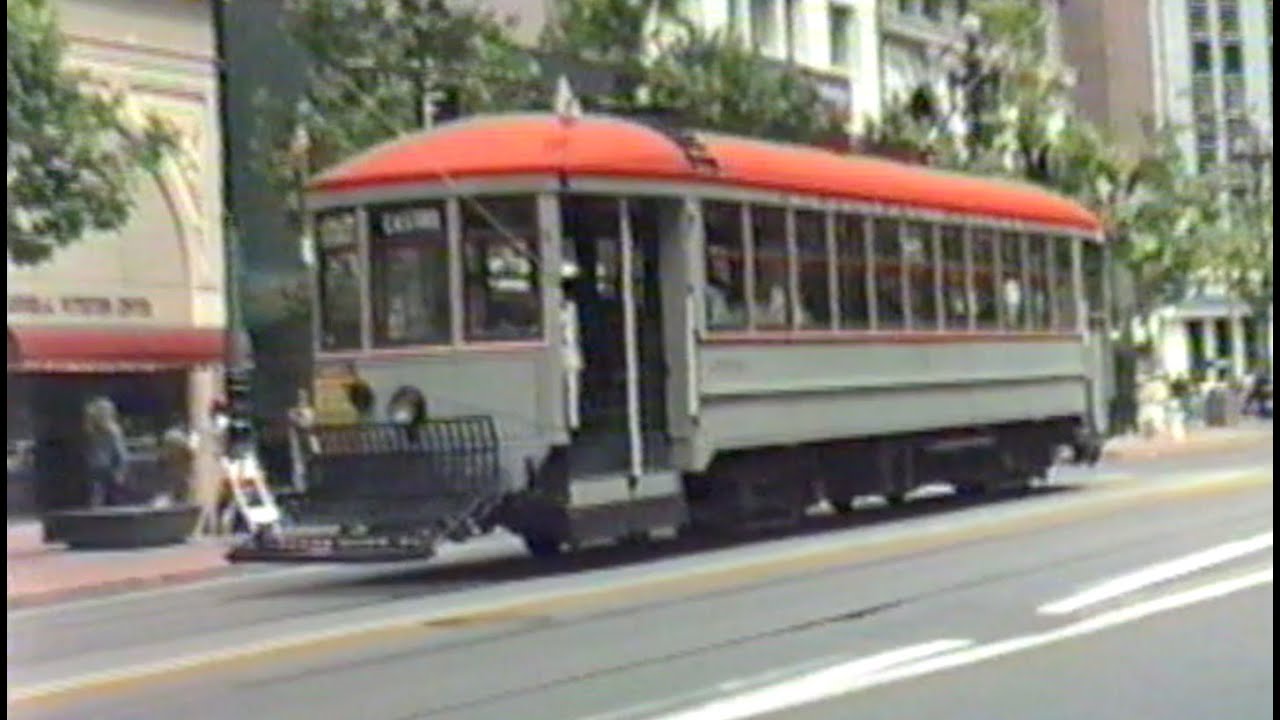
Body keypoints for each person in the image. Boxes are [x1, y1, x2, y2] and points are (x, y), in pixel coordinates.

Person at [83, 397, 128, 507]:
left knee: (113, 498)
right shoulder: (90, 431)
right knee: (96, 496)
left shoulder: (113, 432)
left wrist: (119, 471)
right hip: (94, 469)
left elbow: (120, 454)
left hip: (109, 469)